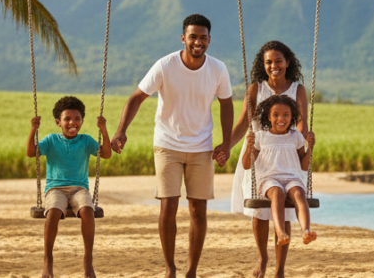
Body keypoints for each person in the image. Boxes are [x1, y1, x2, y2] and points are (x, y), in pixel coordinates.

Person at [110, 14, 234, 278]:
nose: (198, 42)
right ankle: (170, 269)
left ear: (209, 40)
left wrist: (226, 143)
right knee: (168, 205)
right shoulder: (165, 65)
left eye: (203, 37)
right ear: (183, 38)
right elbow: (137, 97)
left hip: (202, 146)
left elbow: (226, 104)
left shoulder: (218, 69)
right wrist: (121, 130)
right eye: (193, 37)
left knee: (198, 209)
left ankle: (191, 271)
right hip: (167, 144)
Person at [227, 41, 311, 278]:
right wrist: (226, 147)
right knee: (260, 213)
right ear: (263, 65)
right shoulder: (256, 88)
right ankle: (263, 258)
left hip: (287, 153)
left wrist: (300, 140)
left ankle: (280, 269)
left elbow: (302, 122)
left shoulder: (297, 89)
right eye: (269, 62)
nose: (274, 66)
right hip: (259, 154)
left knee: (285, 212)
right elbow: (243, 123)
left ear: (287, 62)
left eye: (278, 61)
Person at [27, 96, 113, 278]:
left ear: (82, 121)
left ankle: (88, 259)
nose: (72, 123)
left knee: (88, 210)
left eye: (77, 119)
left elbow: (106, 154)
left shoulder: (86, 140)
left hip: (79, 189)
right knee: (53, 212)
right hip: (55, 189)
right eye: (67, 119)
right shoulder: (51, 140)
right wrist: (33, 129)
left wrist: (103, 130)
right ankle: (48, 259)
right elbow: (31, 153)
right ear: (58, 122)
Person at [242, 94, 317, 248]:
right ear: (268, 117)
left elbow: (304, 166)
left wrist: (310, 148)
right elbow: (246, 165)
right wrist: (249, 147)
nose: (281, 119)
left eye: (286, 115)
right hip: (269, 179)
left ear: (292, 116)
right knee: (277, 193)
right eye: (276, 115)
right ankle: (281, 232)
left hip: (292, 178)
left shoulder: (295, 136)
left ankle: (306, 231)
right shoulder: (261, 137)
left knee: (299, 193)